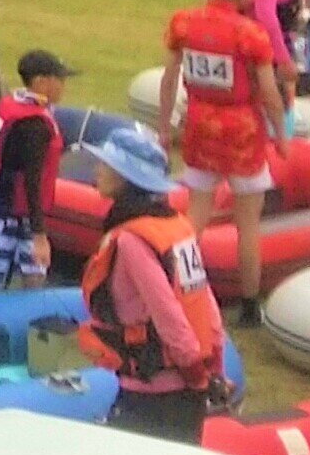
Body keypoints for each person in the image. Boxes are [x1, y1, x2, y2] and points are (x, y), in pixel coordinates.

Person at [78, 121, 233, 438]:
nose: (97, 170)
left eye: (105, 165)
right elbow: (205, 302)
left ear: (126, 178)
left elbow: (167, 313)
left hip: (152, 391)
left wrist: (194, 373)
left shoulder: (132, 241)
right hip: (185, 387)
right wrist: (212, 369)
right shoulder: (178, 226)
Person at [160, 0, 293, 321]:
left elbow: (170, 78)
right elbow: (269, 92)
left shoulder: (184, 23)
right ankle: (250, 303)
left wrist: (162, 125)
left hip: (200, 123)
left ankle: (172, 287)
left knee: (195, 215)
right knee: (247, 222)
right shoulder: (249, 33)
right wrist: (281, 135)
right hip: (242, 132)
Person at [0, 50, 74, 291]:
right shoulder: (35, 125)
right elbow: (32, 180)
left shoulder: (12, 104)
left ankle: (33, 323)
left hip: (16, 208)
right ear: (41, 83)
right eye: (60, 80)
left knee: (34, 273)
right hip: (6, 210)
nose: (63, 86)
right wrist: (39, 234)